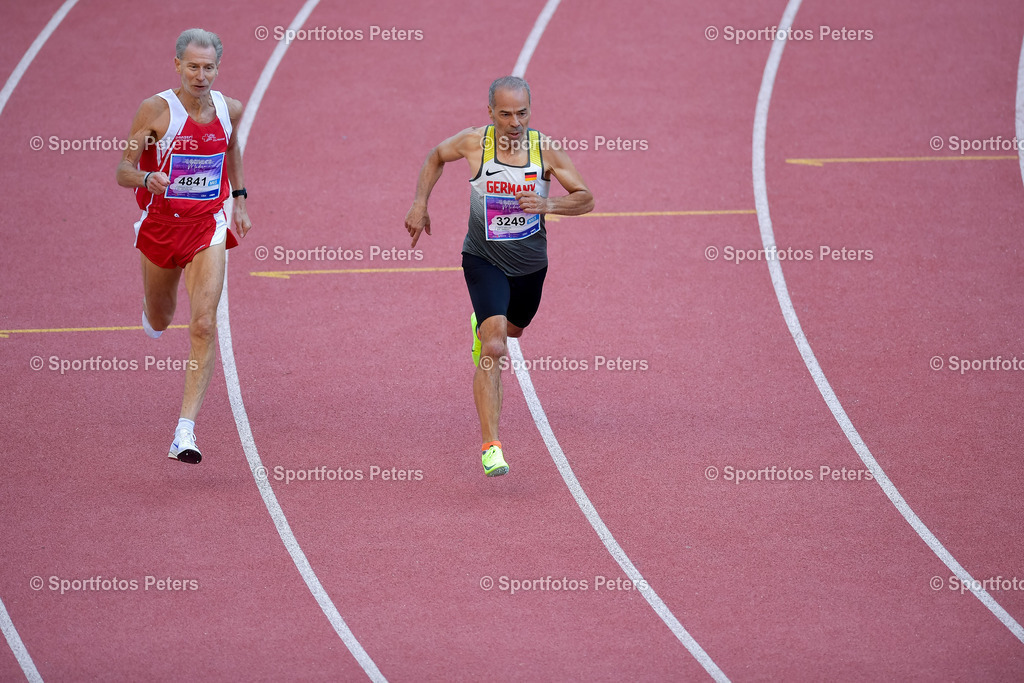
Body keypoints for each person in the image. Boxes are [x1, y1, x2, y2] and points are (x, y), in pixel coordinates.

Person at [404, 76, 594, 477]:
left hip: (530, 267)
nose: (515, 121)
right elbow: (435, 157)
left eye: (522, 112)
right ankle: (492, 446)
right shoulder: (475, 143)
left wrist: (548, 203)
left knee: (512, 331)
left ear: (531, 110)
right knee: (494, 348)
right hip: (483, 259)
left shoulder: (545, 149)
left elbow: (586, 198)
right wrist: (420, 203)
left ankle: (486, 325)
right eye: (505, 113)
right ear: (489, 112)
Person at [115, 28, 252, 464]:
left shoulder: (230, 108)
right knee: (161, 315)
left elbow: (231, 150)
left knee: (204, 325)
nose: (200, 74)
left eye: (208, 67)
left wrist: (240, 199)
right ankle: (152, 310)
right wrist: (145, 178)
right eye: (192, 66)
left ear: (218, 68)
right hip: (160, 226)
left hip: (207, 225)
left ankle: (184, 431)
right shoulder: (157, 110)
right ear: (177, 65)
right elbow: (123, 168)